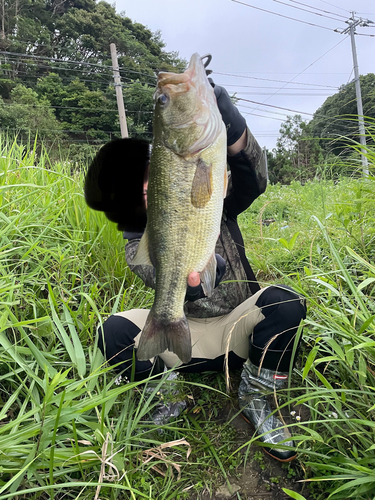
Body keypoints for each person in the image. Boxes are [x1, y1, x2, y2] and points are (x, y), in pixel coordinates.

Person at [85, 81, 306, 463]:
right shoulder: (136, 238)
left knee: (286, 303)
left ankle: (257, 393)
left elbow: (255, 175)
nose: (146, 188)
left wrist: (229, 118)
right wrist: (206, 272)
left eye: (154, 176)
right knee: (113, 332)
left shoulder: (215, 200)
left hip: (238, 329)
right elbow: (168, 283)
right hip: (181, 337)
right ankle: (165, 393)